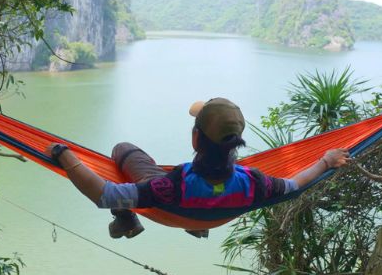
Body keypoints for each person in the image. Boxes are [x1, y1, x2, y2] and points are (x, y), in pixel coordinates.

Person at [47, 98, 351, 239]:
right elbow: (295, 184)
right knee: (168, 183)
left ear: (195, 139)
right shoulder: (255, 183)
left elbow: (107, 194)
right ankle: (197, 224)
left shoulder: (171, 186)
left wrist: (64, 155)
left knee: (123, 150)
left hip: (178, 202)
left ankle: (126, 220)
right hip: (214, 211)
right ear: (237, 143)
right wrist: (326, 160)